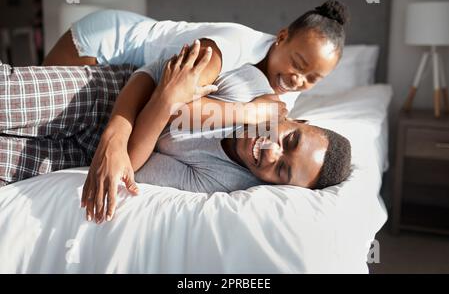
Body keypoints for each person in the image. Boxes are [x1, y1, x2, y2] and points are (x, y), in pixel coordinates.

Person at [0, 42, 351, 226]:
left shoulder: (228, 182)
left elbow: (133, 166)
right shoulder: (250, 86)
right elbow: (157, 71)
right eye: (289, 141)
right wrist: (151, 110)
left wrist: (168, 99)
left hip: (92, 157)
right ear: (296, 121)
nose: (271, 153)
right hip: (111, 95)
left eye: (282, 171)